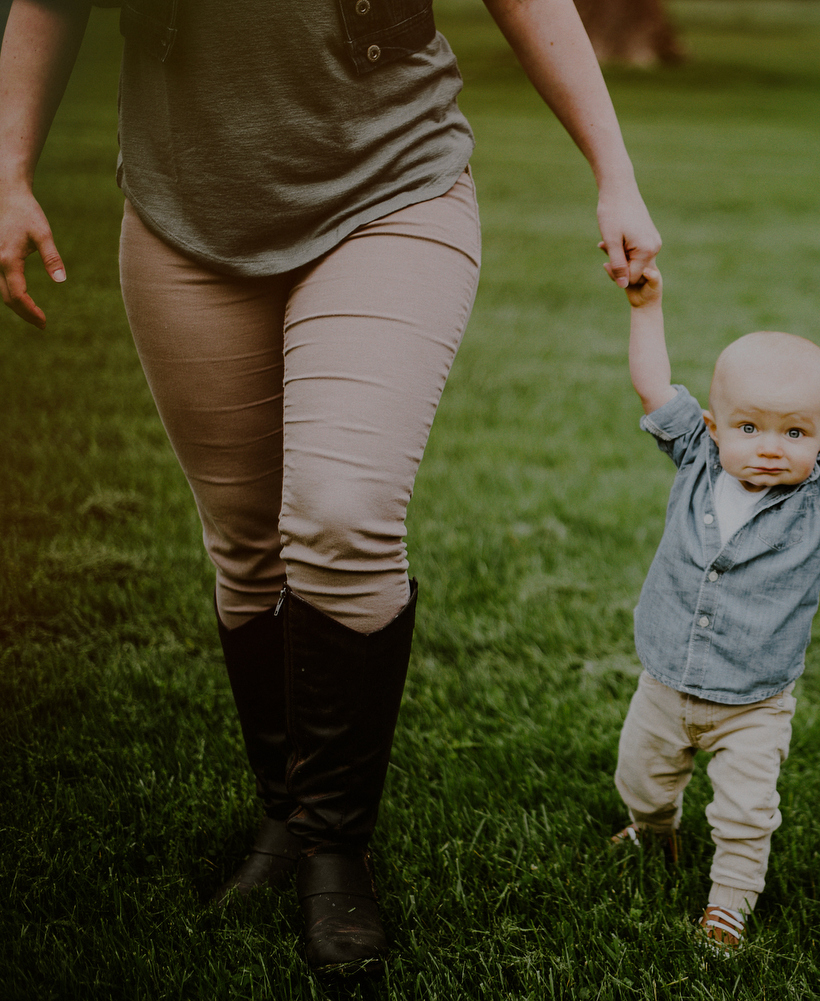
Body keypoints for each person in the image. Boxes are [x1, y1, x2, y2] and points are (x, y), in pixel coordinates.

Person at [0, 0, 659, 974]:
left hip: (391, 187)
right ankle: (290, 818)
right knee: (245, 539)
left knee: (342, 514)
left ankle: (336, 848)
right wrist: (9, 169)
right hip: (188, 209)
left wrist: (616, 173)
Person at [609, 266, 820, 949]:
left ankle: (729, 904)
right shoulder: (695, 458)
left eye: (796, 434)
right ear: (714, 428)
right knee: (642, 781)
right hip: (664, 679)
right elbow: (654, 385)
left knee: (746, 811)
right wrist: (647, 305)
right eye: (749, 427)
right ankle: (655, 832)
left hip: (753, 702)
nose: (771, 447)